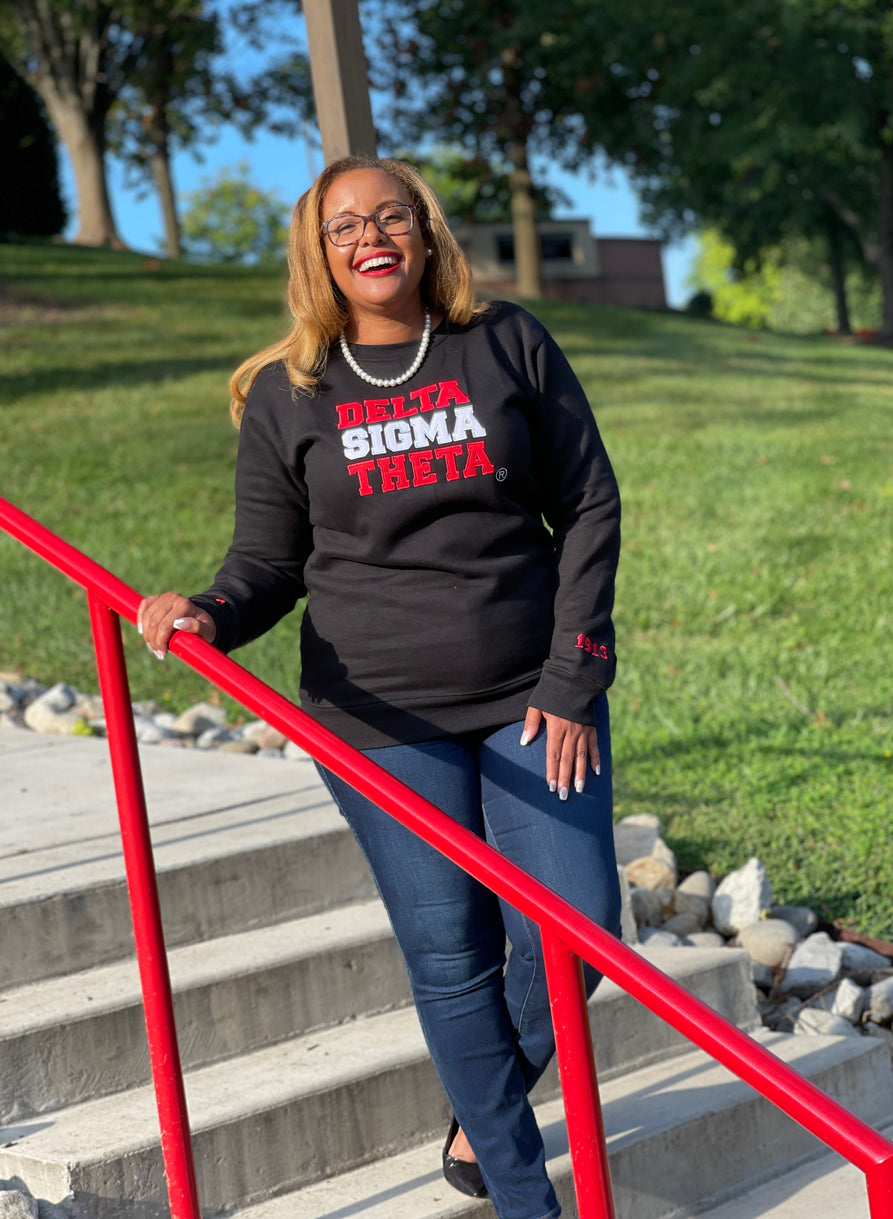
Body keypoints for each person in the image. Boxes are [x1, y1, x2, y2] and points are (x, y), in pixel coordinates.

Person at [138, 155, 622, 1219]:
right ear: (318, 251)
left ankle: (479, 1103)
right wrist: (207, 616)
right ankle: (514, 1185)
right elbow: (267, 562)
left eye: (391, 215)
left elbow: (586, 503)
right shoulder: (288, 391)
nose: (371, 234)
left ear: (424, 232)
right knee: (451, 955)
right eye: (345, 222)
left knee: (579, 920)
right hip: (377, 719)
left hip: (527, 694)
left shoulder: (503, 344)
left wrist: (573, 674)